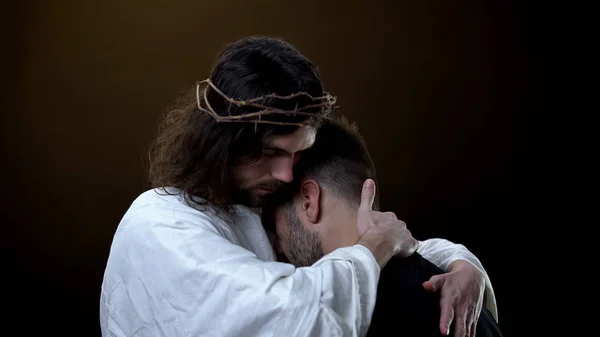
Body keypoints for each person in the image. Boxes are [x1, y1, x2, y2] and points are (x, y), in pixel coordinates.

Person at [100, 36, 495, 337]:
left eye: (297, 154)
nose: (286, 174)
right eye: (272, 151)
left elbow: (351, 245)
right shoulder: (159, 224)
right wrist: (376, 247)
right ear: (223, 142)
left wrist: (461, 265)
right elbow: (288, 314)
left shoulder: (256, 200)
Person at [263, 116, 502, 337]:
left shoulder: (343, 320)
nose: (276, 246)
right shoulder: (468, 304)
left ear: (309, 201)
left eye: (275, 222)